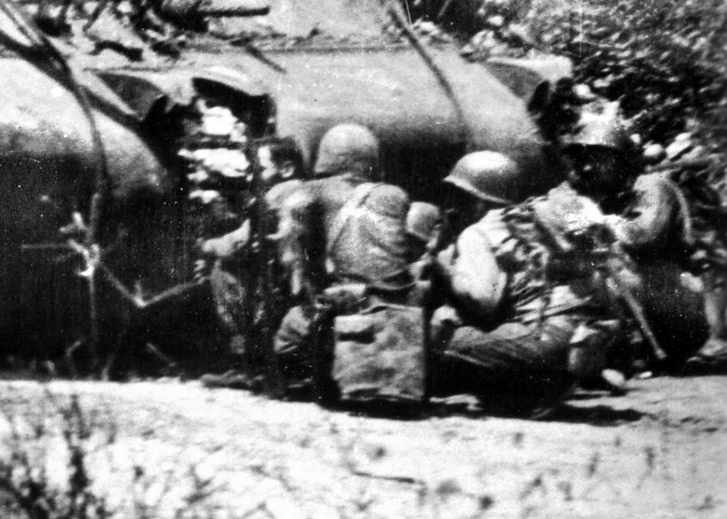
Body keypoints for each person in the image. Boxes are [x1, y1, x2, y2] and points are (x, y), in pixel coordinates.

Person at [430, 149, 621, 410]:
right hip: (586, 337)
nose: (452, 207)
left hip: (545, 336)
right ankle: (538, 389)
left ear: (479, 201)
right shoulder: (532, 220)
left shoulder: (478, 232)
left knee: (439, 341)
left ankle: (532, 387)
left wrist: (444, 268)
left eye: (460, 197)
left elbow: (482, 300)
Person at [536, 108, 713, 370]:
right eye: (583, 160)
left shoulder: (654, 186)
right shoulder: (599, 196)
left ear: (620, 161)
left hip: (679, 307)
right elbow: (563, 225)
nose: (587, 167)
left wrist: (600, 223)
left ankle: (631, 347)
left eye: (597, 159)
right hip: (648, 300)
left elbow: (644, 237)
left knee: (608, 265)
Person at [271, 123, 424, 396]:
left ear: (326, 157)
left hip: (348, 311)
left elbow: (294, 264)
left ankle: (317, 378)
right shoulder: (396, 195)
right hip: (397, 316)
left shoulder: (308, 193)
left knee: (288, 333)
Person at [197, 136, 308, 370]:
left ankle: (244, 351)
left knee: (222, 269)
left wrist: (206, 247)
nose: (250, 177)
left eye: (259, 169)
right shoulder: (305, 191)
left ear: (286, 169)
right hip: (304, 287)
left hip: (285, 291)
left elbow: (237, 244)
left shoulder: (276, 196)